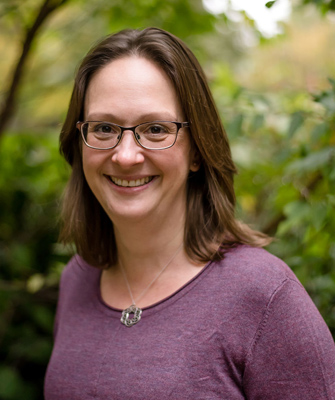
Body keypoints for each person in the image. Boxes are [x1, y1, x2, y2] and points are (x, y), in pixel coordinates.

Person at [44, 27, 335, 399]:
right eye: (104, 127)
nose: (126, 155)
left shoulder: (265, 298)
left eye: (155, 129)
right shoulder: (77, 280)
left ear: (197, 150)